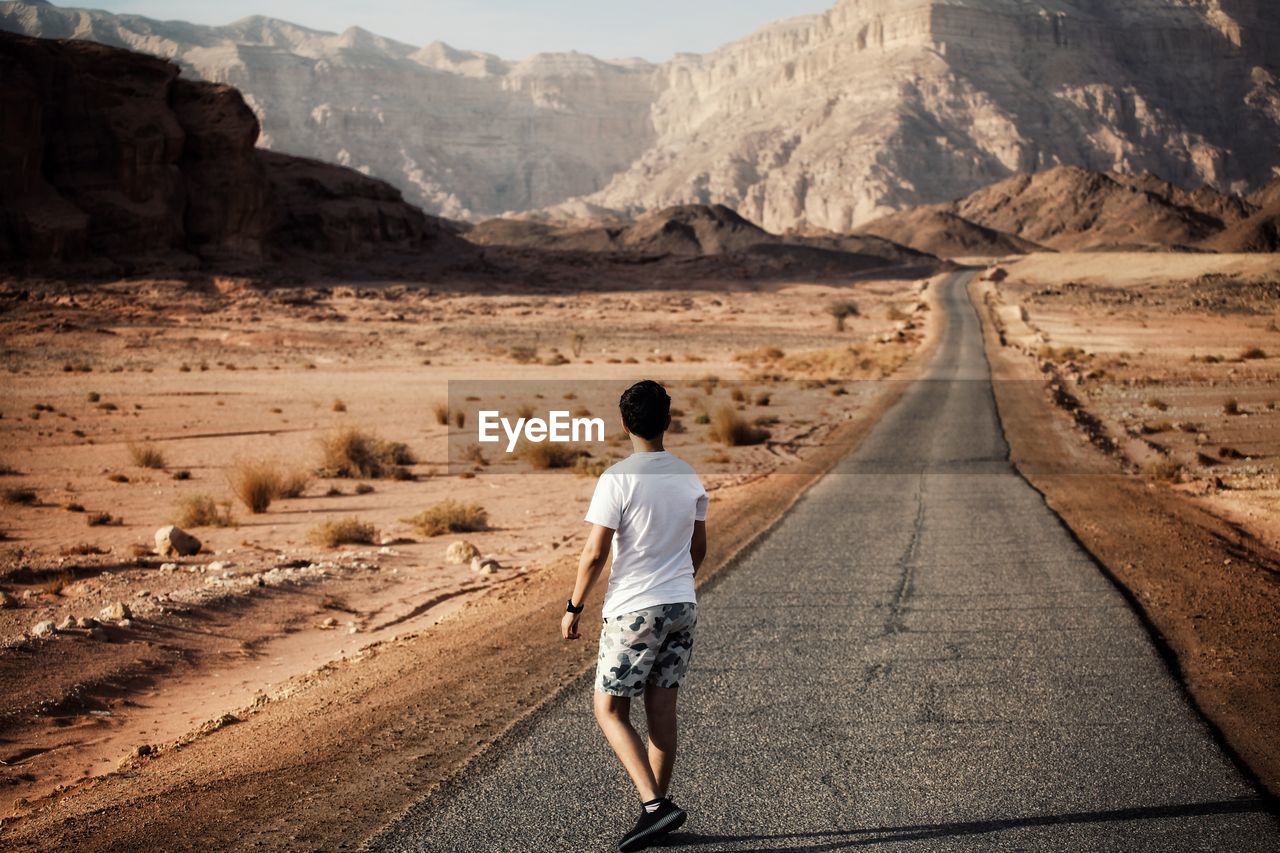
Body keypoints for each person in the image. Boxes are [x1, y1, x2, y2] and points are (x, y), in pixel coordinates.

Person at [562, 379, 708, 851]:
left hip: (633, 610)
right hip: (681, 604)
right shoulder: (688, 475)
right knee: (662, 707)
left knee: (608, 708)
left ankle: (654, 808)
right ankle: (657, 815)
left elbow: (594, 552)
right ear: (668, 420)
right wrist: (678, 583)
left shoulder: (618, 478)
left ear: (624, 423)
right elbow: (698, 547)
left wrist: (574, 605)